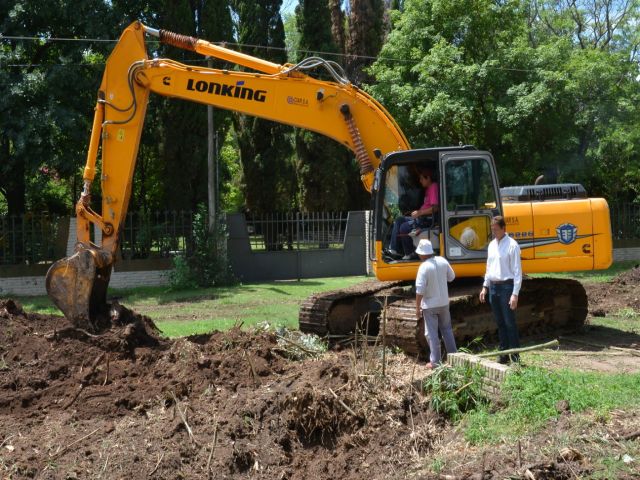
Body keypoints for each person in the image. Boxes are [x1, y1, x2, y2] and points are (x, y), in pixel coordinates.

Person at [479, 216, 522, 364]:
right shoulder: (491, 245)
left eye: (496, 229)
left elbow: (517, 272)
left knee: (510, 322)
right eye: (492, 229)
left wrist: (514, 294)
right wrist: (485, 286)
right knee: (500, 322)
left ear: (504, 229)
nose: (494, 232)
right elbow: (488, 268)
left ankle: (515, 356)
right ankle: (504, 353)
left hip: (506, 286)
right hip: (493, 287)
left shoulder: (512, 245)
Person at [414, 238, 457, 368]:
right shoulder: (443, 261)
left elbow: (420, 290)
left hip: (430, 306)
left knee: (432, 334)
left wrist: (417, 308)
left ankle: (435, 362)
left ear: (422, 254)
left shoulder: (423, 267)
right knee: (447, 330)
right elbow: (452, 277)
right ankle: (454, 357)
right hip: (444, 303)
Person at [388, 168, 439, 260]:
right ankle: (393, 249)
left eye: (422, 179)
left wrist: (420, 213)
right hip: (422, 217)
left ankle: (410, 253)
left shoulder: (433, 187)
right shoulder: (428, 189)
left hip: (427, 219)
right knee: (399, 220)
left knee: (404, 227)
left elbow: (435, 208)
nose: (420, 181)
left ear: (428, 178)